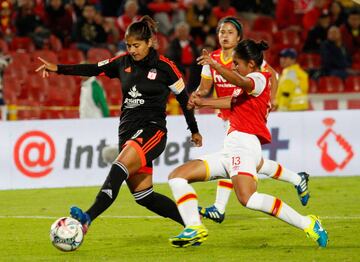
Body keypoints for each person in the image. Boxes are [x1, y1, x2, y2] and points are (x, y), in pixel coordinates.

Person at [36, 16, 202, 236]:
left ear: (149, 42)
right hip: (127, 132)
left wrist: (194, 130)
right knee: (144, 196)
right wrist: (58, 68)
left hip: (153, 130)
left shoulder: (166, 67)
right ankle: (193, 221)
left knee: (119, 167)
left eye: (137, 45)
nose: (132, 50)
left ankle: (87, 218)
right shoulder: (122, 63)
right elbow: (92, 69)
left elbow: (184, 99)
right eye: (129, 46)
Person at [168, 39, 328, 248]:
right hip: (231, 148)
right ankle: (194, 227)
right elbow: (232, 103)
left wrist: (215, 65)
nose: (233, 66)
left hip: (244, 145)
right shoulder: (245, 82)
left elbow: (242, 83)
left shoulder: (258, 79)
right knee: (177, 177)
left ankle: (308, 222)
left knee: (248, 199)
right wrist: (202, 103)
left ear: (251, 64)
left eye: (236, 63)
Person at [191, 16, 309, 224]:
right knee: (251, 162)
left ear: (239, 37)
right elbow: (204, 86)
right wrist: (197, 95)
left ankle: (219, 207)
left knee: (233, 159)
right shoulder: (213, 58)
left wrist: (270, 101)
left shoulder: (247, 58)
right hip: (227, 111)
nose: (224, 36)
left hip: (246, 112)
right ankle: (297, 178)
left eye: (229, 32)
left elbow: (272, 76)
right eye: (221, 32)